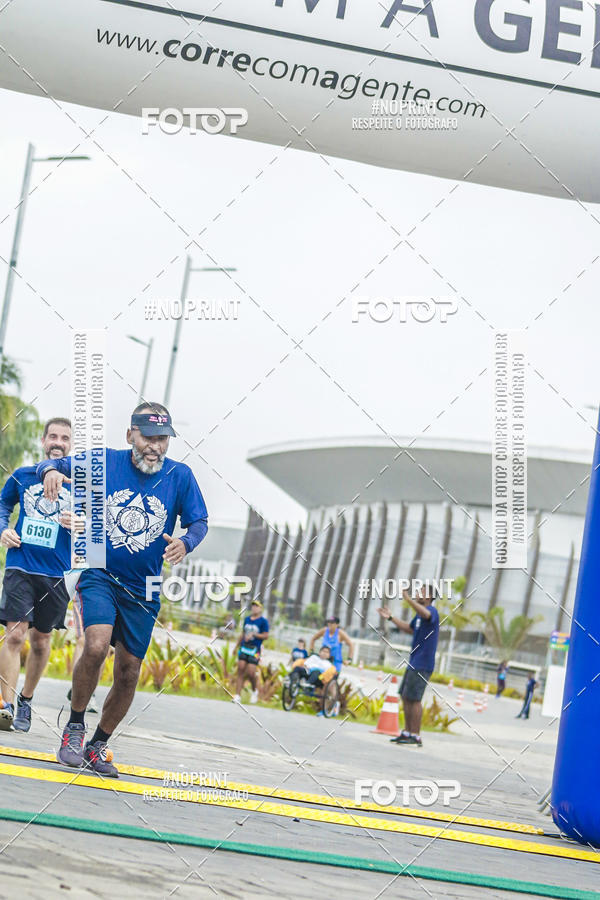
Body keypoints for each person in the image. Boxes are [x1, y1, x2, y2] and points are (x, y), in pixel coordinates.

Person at [38, 402, 208, 776]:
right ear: (130, 434)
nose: (155, 447)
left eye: (162, 439)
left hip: (144, 586)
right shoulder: (104, 463)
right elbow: (51, 465)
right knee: (97, 644)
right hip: (100, 571)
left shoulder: (181, 477)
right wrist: (50, 469)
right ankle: (74, 728)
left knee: (129, 670)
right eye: (148, 437)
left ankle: (98, 745)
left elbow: (199, 522)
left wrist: (186, 542)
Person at [0, 417, 76, 733]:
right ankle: (4, 705)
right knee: (16, 634)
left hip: (57, 572)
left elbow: (99, 527)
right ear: (43, 441)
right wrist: (4, 528)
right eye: (53, 436)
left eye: (65, 438)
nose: (58, 442)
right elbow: (3, 503)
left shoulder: (82, 484)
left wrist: (80, 524)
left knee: (42, 641)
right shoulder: (22, 476)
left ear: (72, 446)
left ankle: (26, 700)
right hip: (20, 564)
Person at [377, 584, 440, 747]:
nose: (418, 593)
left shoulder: (431, 611)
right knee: (405, 696)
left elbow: (425, 613)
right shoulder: (418, 617)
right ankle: (406, 732)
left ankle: (415, 735)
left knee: (415, 699)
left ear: (429, 597)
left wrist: (408, 599)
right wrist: (391, 618)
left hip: (423, 663)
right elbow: (409, 628)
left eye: (422, 591)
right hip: (414, 661)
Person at [233, 600, 269, 704]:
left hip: (255, 649)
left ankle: (254, 691)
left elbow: (266, 636)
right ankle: (237, 695)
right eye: (253, 606)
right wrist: (236, 647)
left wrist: (254, 634)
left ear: (260, 609)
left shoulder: (263, 621)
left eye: (257, 606)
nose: (254, 608)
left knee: (251, 672)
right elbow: (243, 633)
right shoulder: (247, 619)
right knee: (240, 669)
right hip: (244, 647)